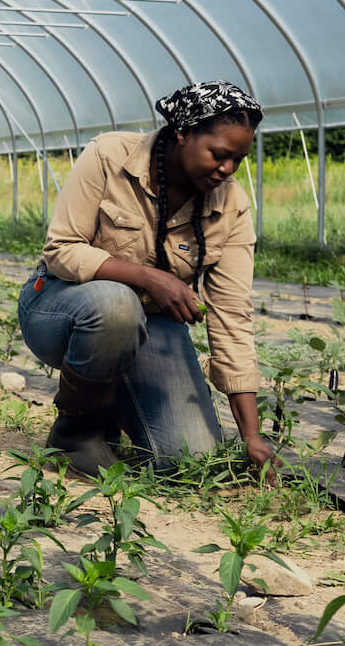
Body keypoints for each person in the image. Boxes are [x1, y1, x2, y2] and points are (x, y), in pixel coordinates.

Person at [17, 79, 277, 477]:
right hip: (62, 306)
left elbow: (232, 315)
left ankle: (115, 400)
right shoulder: (109, 156)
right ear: (184, 133)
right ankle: (76, 431)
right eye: (220, 155)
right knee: (115, 305)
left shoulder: (232, 205)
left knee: (188, 460)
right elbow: (62, 249)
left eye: (238, 159)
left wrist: (251, 436)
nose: (228, 170)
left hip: (149, 325)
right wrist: (149, 278)